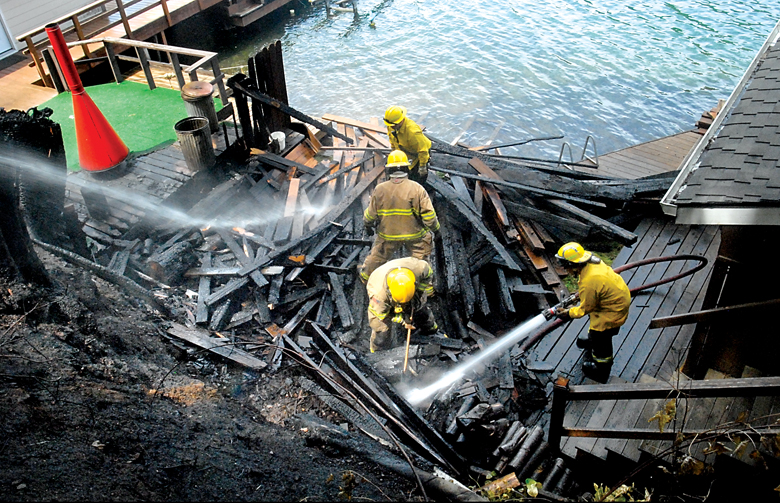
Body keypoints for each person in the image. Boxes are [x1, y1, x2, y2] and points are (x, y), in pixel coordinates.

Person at [358, 150, 440, 283]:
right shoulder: (417, 188)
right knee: (422, 260)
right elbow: (430, 216)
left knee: (377, 256)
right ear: (406, 168)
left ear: (388, 170)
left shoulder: (380, 189)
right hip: (414, 235)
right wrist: (436, 230)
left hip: (388, 235)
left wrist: (368, 226)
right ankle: (426, 286)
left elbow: (370, 215)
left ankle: (365, 277)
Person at [554, 242, 631, 382]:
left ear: (572, 264)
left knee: (601, 337)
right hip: (614, 301)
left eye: (566, 265)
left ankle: (601, 368)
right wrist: (580, 295)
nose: (565, 269)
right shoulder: (592, 263)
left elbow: (586, 308)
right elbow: (593, 292)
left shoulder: (590, 280)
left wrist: (568, 313)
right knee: (595, 331)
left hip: (611, 312)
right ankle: (592, 342)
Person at [366, 257, 438, 353]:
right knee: (381, 328)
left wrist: (420, 291)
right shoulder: (379, 295)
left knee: (420, 307)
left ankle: (431, 330)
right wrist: (401, 319)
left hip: (407, 290)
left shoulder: (419, 268)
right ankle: (377, 351)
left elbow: (428, 274)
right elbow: (381, 315)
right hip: (380, 292)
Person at [384, 105, 432, 185]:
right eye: (390, 125)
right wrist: (394, 152)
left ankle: (419, 190)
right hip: (405, 151)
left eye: (393, 125)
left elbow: (423, 150)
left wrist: (422, 166)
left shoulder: (413, 132)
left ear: (401, 120)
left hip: (419, 153)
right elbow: (392, 140)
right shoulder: (391, 125)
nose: (391, 127)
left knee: (418, 177)